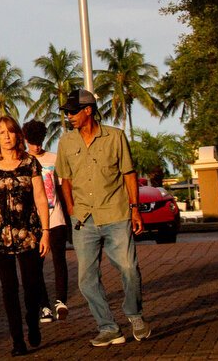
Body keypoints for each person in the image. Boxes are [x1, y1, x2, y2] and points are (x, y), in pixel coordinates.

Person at [54, 89, 150, 347]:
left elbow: (129, 174)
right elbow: (65, 179)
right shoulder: (66, 142)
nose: (69, 116)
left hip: (116, 214)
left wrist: (135, 208)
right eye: (67, 112)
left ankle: (135, 315)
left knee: (129, 268)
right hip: (83, 219)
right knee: (86, 279)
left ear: (88, 110)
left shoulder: (115, 137)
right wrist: (72, 209)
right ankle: (108, 327)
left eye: (73, 111)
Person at [0, 117, 51, 356]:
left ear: (18, 135)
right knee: (9, 288)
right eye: (1, 133)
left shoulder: (29, 163)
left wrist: (46, 232)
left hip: (28, 232)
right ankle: (18, 340)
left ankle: (32, 322)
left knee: (31, 284)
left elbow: (40, 198)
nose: (6, 136)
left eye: (10, 132)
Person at [23, 119, 71, 323]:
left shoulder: (54, 158)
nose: (37, 145)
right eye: (33, 141)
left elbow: (63, 188)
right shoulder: (21, 162)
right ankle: (44, 306)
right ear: (25, 140)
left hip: (56, 217)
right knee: (35, 265)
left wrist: (70, 214)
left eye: (40, 140)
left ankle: (61, 301)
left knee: (59, 259)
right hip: (32, 222)